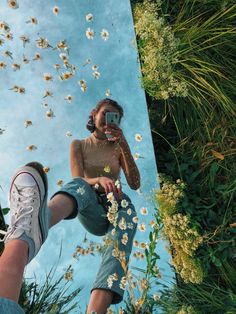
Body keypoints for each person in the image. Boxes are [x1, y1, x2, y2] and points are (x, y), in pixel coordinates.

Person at [0, 98, 141, 314]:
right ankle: (39, 223)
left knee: (126, 223)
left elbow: (135, 183)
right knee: (80, 186)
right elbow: (78, 178)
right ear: (94, 114)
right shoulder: (79, 144)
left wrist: (124, 145)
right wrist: (99, 181)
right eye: (105, 114)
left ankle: (96, 310)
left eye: (115, 118)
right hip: (90, 201)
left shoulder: (118, 148)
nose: (108, 121)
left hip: (117, 203)